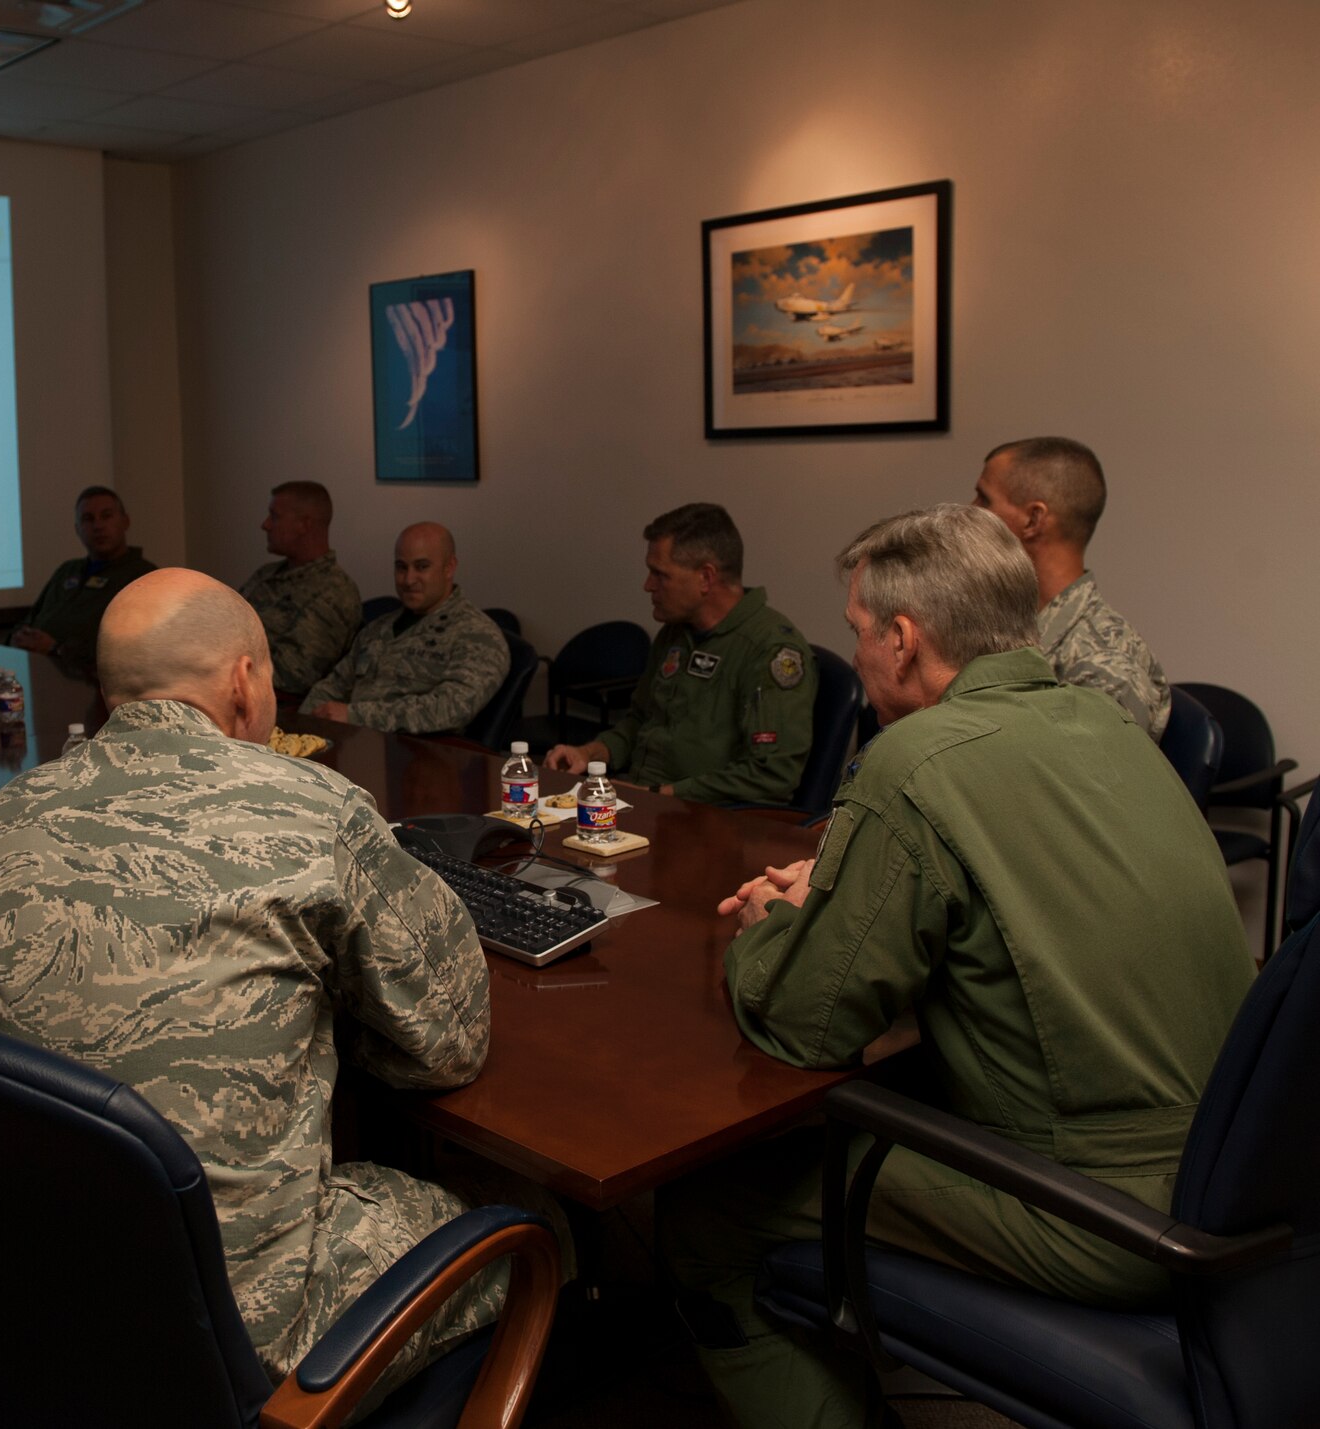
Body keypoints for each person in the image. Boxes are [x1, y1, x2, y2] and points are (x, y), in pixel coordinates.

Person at [659, 505, 1253, 1429]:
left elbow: (804, 1023)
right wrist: (855, 881)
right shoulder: (1108, 725)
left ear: (903, 640)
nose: (852, 653)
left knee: (706, 1214)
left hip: (1103, 1209)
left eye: (857, 632)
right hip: (1232, 1169)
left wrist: (777, 921)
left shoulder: (916, 761)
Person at [0, 568, 550, 1399]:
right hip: (242, 1329)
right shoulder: (317, 809)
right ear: (245, 683)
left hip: (23, 1277)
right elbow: (448, 1046)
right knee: (534, 1216)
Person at [546, 503, 814, 803]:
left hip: (710, 820)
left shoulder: (769, 649)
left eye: (660, 575)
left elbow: (772, 775)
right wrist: (591, 752)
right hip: (645, 800)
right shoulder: (676, 634)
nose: (648, 586)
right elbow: (639, 722)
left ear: (705, 578)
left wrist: (661, 794)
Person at [972, 436, 1171, 738]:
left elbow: (1085, 782)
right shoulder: (1004, 628)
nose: (972, 512)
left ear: (1032, 520)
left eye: (985, 499)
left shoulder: (1104, 667)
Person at [300, 522, 507, 735]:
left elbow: (452, 708)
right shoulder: (379, 628)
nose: (408, 580)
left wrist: (355, 716)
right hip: (351, 744)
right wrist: (298, 727)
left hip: (421, 756)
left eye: (422, 567)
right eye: (401, 567)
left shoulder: (478, 635)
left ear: (449, 567)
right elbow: (334, 686)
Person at [238, 480, 361, 698]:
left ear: (304, 525)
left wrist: (221, 665)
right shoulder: (267, 574)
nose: (265, 524)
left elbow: (291, 676)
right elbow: (222, 624)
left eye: (274, 516)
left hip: (269, 704)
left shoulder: (335, 592)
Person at [7, 486, 157, 664]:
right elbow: (31, 619)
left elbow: (133, 648)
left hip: (90, 685)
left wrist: (57, 649)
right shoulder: (67, 570)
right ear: (77, 529)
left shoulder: (144, 577)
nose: (98, 526)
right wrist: (17, 638)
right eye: (88, 519)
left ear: (125, 522)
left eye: (106, 516)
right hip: (36, 674)